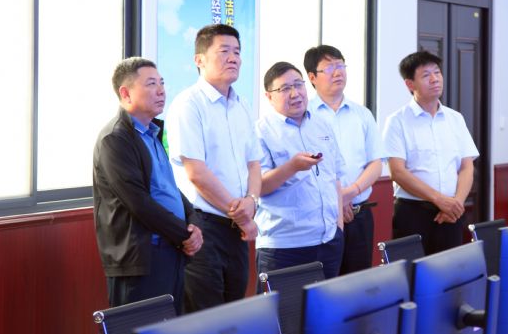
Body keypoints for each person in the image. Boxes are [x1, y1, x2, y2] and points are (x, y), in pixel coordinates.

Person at [92, 57, 203, 334]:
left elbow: (170, 190)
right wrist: (183, 233)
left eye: (162, 82)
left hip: (168, 254)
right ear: (126, 93)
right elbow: (138, 201)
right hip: (137, 262)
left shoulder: (154, 133)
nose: (161, 90)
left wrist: (192, 223)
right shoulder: (115, 140)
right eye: (151, 84)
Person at [165, 24, 262, 312]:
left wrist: (252, 201)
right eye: (224, 51)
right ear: (199, 59)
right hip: (204, 226)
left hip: (238, 228)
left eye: (237, 52)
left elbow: (254, 163)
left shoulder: (242, 104)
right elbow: (196, 173)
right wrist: (241, 213)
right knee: (206, 316)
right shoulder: (188, 104)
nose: (234, 58)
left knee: (234, 313)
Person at [255, 61, 346, 281]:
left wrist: (339, 227)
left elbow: (334, 178)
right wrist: (292, 167)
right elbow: (258, 187)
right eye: (285, 88)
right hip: (284, 247)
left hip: (329, 241)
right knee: (285, 305)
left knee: (326, 303)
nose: (295, 93)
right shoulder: (260, 132)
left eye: (298, 85)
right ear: (269, 96)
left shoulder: (322, 124)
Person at [383, 50, 478, 256]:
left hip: (452, 213)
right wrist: (439, 200)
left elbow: (467, 166)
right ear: (410, 84)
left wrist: (457, 203)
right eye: (426, 75)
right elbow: (397, 172)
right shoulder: (397, 121)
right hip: (413, 213)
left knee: (450, 271)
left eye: (437, 72)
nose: (435, 79)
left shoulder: (455, 119)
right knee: (412, 271)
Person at [304, 45, 385, 274]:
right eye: (329, 68)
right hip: (319, 218)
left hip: (359, 215)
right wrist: (336, 200)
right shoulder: (305, 116)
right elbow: (305, 168)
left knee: (358, 283)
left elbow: (376, 163)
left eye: (341, 65)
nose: (338, 72)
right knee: (323, 282)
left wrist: (348, 194)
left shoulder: (362, 114)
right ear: (312, 77)